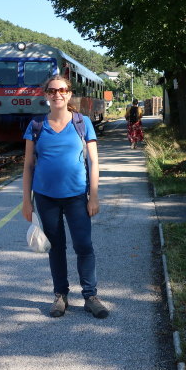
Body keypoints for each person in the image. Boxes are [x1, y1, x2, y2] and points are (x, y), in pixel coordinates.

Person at [21, 75, 108, 319]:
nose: (57, 94)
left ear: (69, 94)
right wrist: (26, 201)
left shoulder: (83, 123)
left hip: (77, 196)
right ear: (45, 94)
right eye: (51, 90)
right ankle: (60, 295)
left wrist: (94, 196)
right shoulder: (36, 125)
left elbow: (93, 161)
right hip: (45, 197)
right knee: (56, 247)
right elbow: (28, 165)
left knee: (84, 246)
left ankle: (90, 296)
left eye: (62, 90)